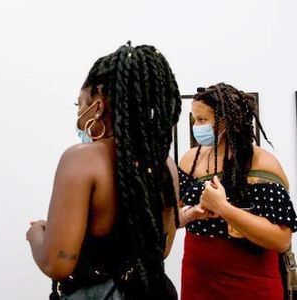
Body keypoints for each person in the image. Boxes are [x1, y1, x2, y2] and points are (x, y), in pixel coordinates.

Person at [25, 43, 181, 299]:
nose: (77, 113)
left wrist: (36, 235)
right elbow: (161, 249)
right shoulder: (166, 164)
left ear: (96, 107)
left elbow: (58, 264)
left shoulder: (81, 159)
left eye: (79, 104)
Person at [177, 83, 297, 300]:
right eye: (195, 119)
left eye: (203, 120)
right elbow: (170, 217)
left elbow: (281, 239)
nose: (197, 126)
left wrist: (223, 208)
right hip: (197, 279)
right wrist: (190, 213)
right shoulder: (189, 160)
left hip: (252, 281)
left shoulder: (263, 163)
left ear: (227, 121)